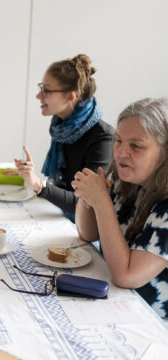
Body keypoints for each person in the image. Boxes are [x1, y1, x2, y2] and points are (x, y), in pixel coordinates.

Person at [73, 97, 168, 318]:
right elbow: (87, 233)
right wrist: (87, 196)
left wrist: (102, 203)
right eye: (118, 141)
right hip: (115, 302)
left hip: (151, 324)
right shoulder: (127, 179)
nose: (121, 153)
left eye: (135, 145)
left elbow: (127, 276)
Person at [14, 54, 114, 221]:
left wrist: (39, 185)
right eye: (41, 88)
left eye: (46, 90)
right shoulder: (62, 127)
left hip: (88, 231)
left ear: (70, 96)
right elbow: (64, 188)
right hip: (62, 217)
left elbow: (87, 205)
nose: (39, 96)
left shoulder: (103, 138)